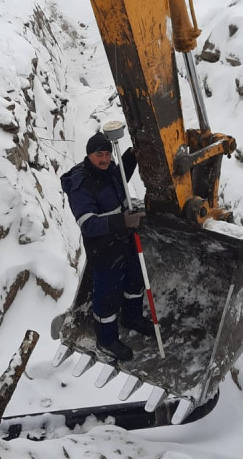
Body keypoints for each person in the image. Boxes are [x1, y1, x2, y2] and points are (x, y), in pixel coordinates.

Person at [61, 131, 154, 361]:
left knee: (136, 279)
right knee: (108, 296)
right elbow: (88, 224)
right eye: (98, 155)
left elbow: (121, 176)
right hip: (103, 249)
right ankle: (106, 339)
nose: (104, 159)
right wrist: (122, 220)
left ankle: (132, 317)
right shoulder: (80, 184)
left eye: (107, 154)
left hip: (125, 239)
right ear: (89, 155)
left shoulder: (110, 169)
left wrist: (132, 156)